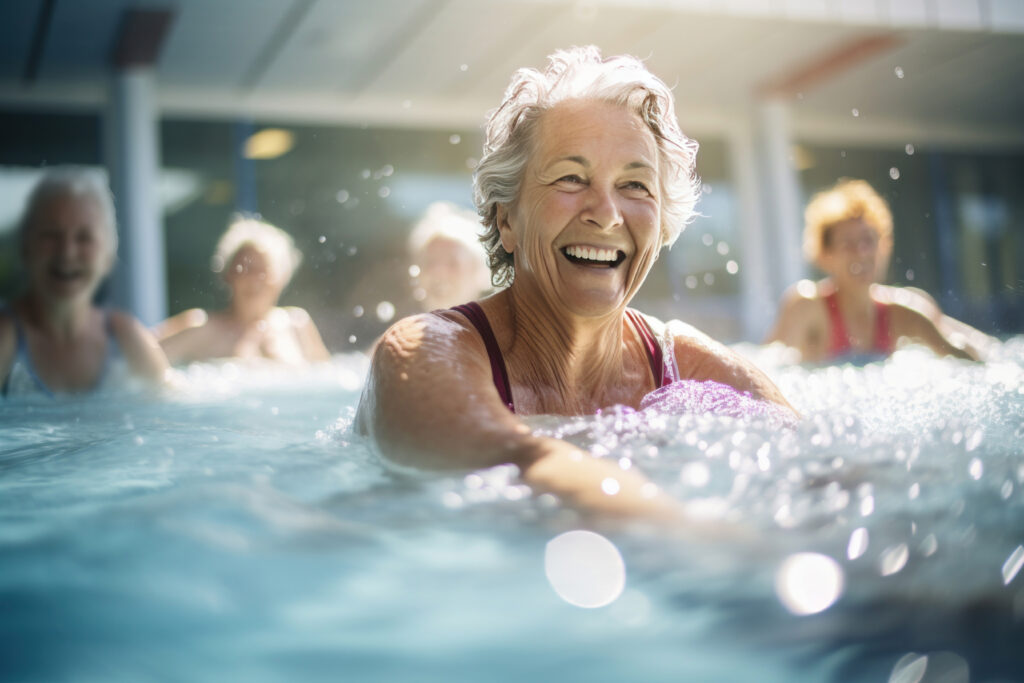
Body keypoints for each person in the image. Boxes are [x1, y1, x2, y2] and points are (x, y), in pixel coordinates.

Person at [357, 47, 795, 523]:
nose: (606, 214)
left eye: (634, 186)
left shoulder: (687, 368)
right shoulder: (425, 351)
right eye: (571, 178)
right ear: (507, 220)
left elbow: (815, 468)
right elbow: (515, 466)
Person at [766, 179, 990, 363]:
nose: (862, 252)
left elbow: (975, 353)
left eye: (869, 240)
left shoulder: (905, 311)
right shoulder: (807, 307)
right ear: (825, 255)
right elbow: (762, 369)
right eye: (848, 243)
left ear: (884, 246)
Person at [0, 167, 169, 397]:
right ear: (26, 247)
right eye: (51, 235)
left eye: (84, 237)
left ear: (108, 255)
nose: (67, 252)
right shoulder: (6, 337)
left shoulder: (125, 337)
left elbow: (174, 410)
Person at [157, 216, 330, 365]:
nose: (253, 279)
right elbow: (141, 358)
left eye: (263, 270)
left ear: (280, 278)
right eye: (243, 269)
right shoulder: (202, 326)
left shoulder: (296, 324)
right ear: (227, 275)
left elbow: (326, 383)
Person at [408, 201, 493, 311]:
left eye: (452, 263)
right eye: (430, 262)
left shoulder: (501, 327)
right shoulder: (399, 327)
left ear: (480, 273)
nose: (438, 272)